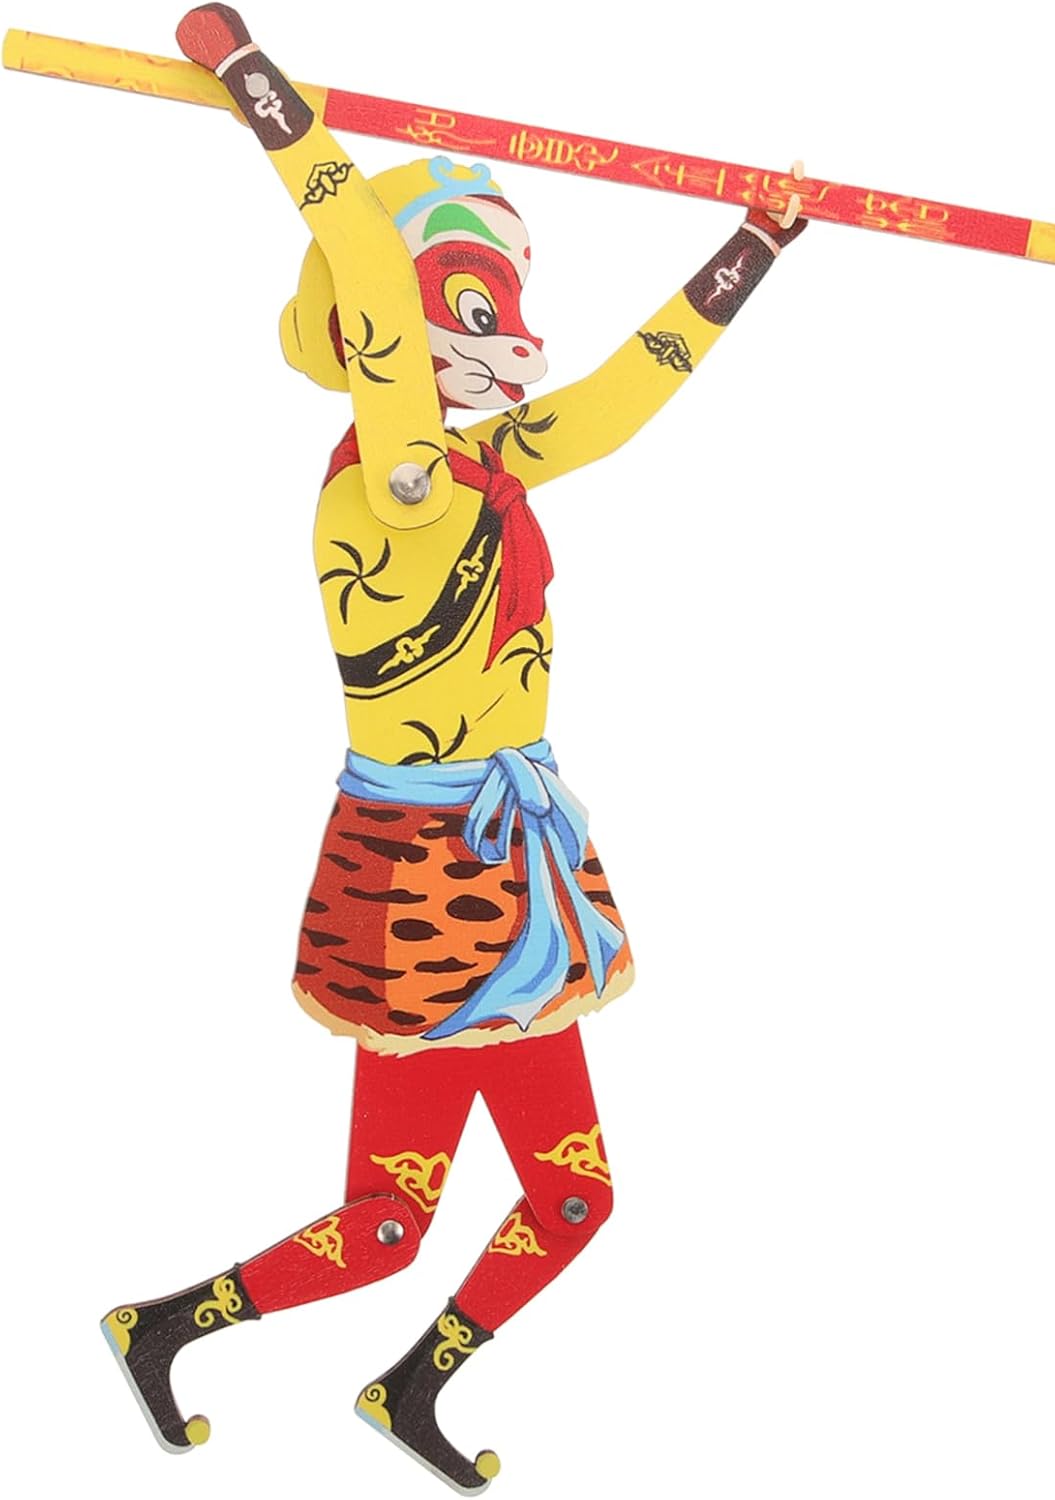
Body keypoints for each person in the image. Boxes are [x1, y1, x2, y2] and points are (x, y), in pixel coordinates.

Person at [101, 6, 808, 1490]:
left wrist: (753, 245)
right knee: (479, 1208)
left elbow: (612, 403)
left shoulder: (484, 462)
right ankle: (200, 1337)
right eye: (471, 312)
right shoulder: (399, 477)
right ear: (390, 342)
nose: (516, 341)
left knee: (499, 1207)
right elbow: (364, 250)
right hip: (427, 874)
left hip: (503, 859)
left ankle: (308, 1364)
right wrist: (244, 73)